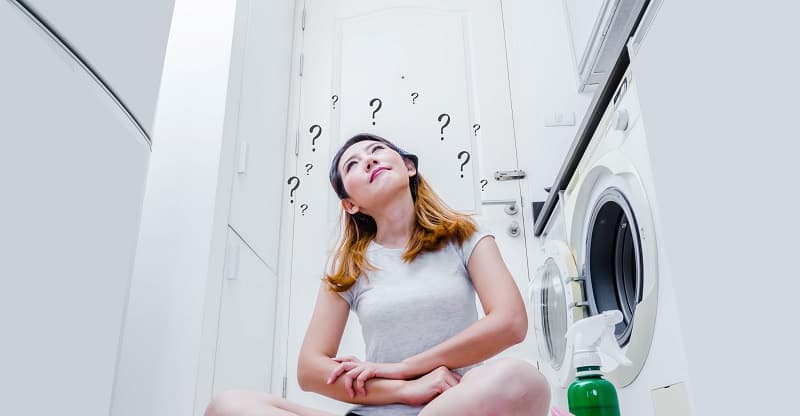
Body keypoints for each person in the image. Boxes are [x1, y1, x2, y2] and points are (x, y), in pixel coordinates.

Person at [205, 134, 550, 416]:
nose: (368, 160)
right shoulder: (348, 267)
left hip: (456, 405)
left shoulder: (466, 234)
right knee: (228, 406)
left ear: (409, 166)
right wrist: (406, 388)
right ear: (350, 204)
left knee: (522, 379)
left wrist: (405, 366)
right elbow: (309, 370)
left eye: (377, 151)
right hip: (379, 411)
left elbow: (510, 322)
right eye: (352, 165)